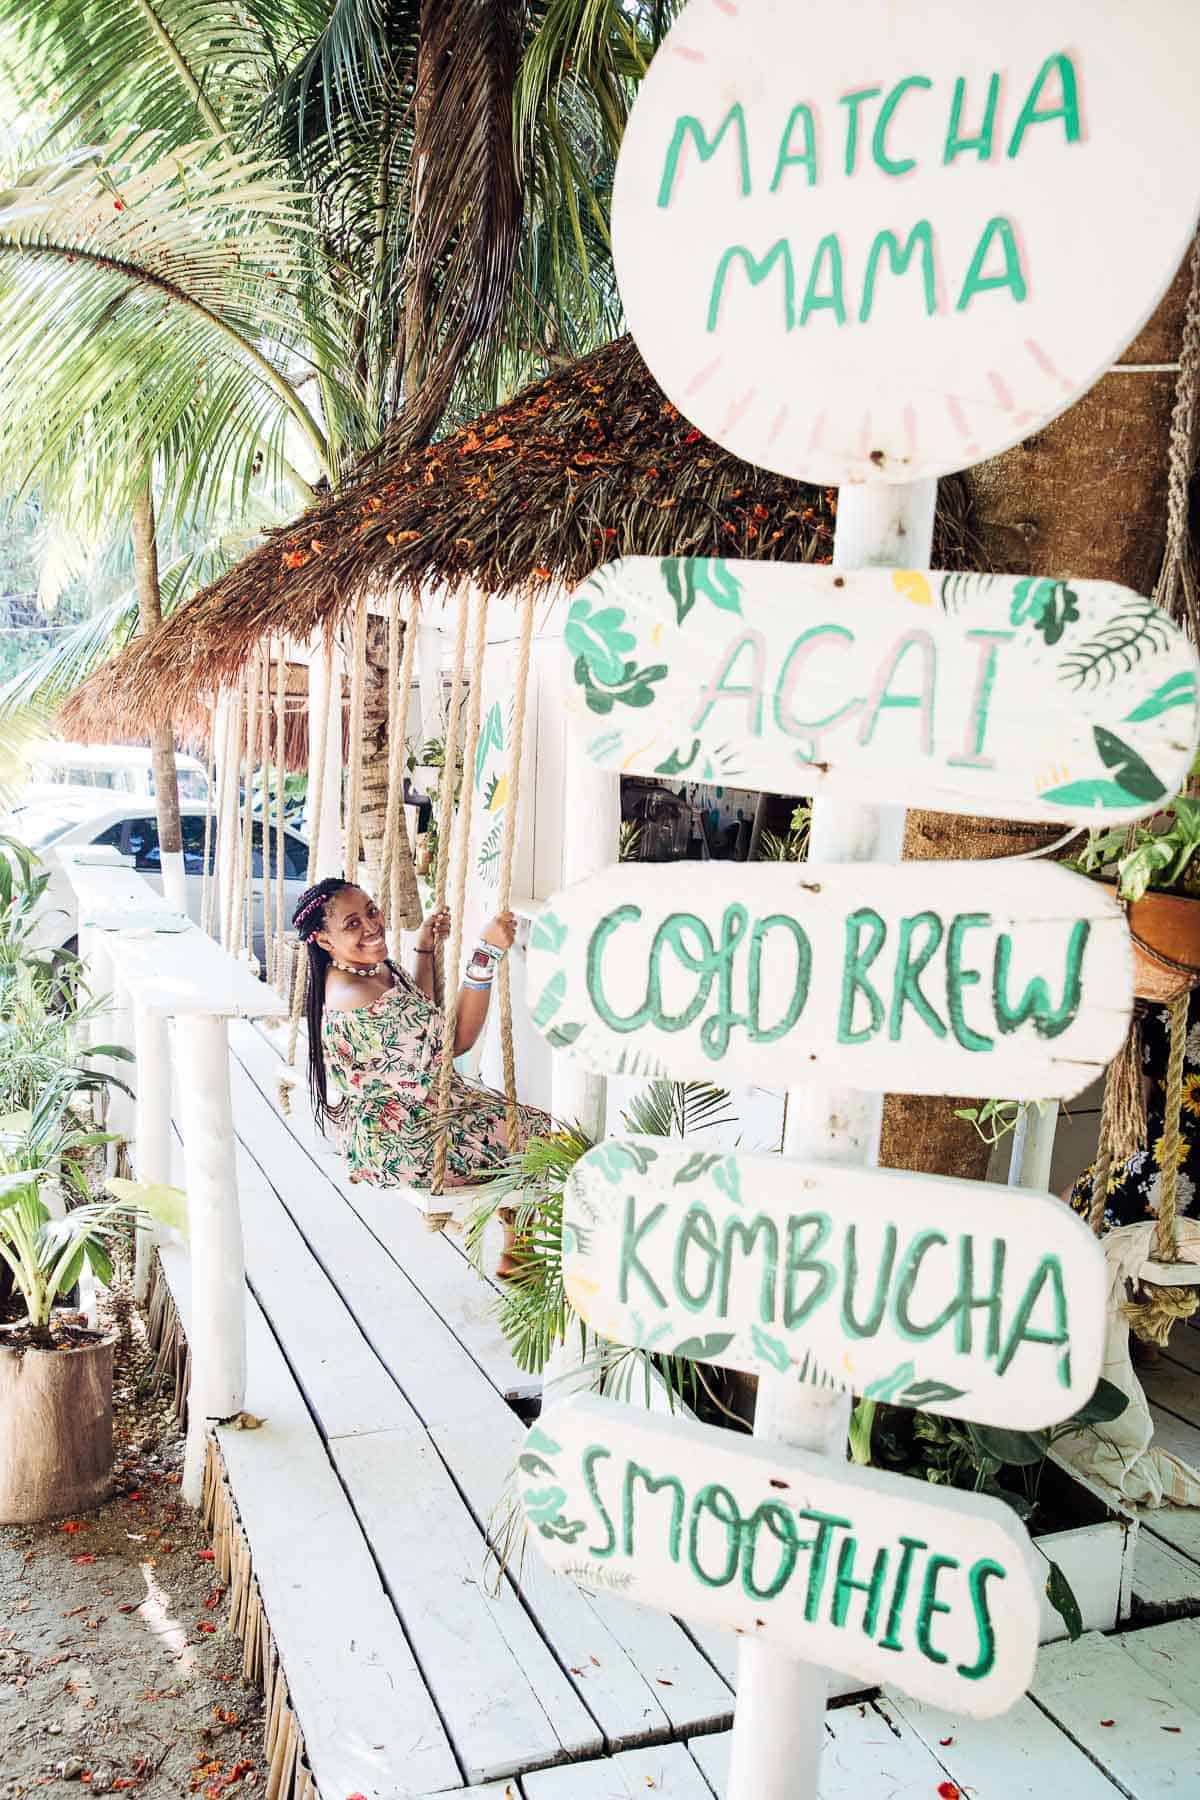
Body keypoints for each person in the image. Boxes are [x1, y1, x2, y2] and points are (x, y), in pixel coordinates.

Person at [293, 877, 549, 1270]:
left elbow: (422, 1014)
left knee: (526, 1127)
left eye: (371, 911)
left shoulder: (368, 971)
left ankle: (517, 1248)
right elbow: (456, 1042)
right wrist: (484, 954)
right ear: (325, 942)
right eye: (352, 924)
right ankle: (519, 1246)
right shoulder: (356, 997)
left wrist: (425, 947)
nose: (371, 926)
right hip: (407, 1139)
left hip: (416, 1111)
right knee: (544, 1137)